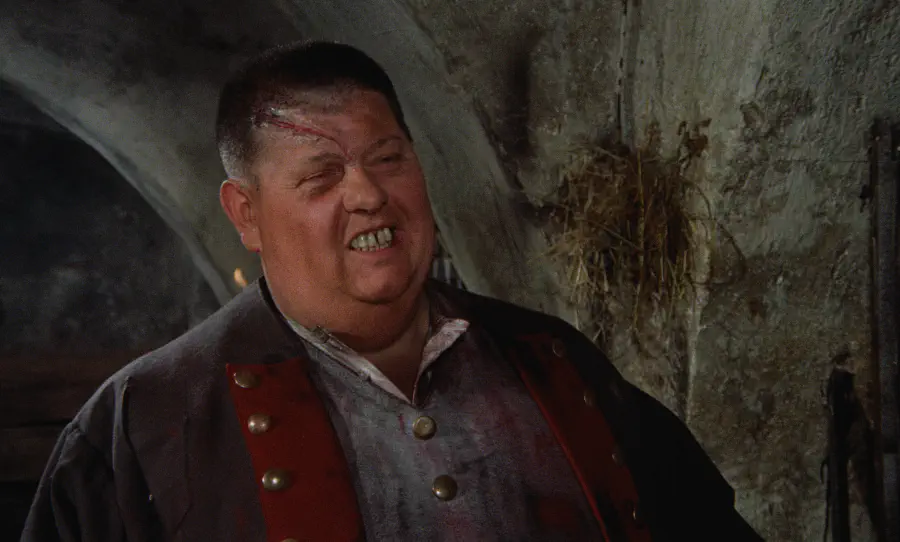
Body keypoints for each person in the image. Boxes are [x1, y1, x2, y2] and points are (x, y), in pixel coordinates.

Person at [21, 41, 762, 542]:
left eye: (387, 158)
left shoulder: (555, 363)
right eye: (321, 176)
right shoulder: (143, 425)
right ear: (246, 213)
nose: (369, 194)